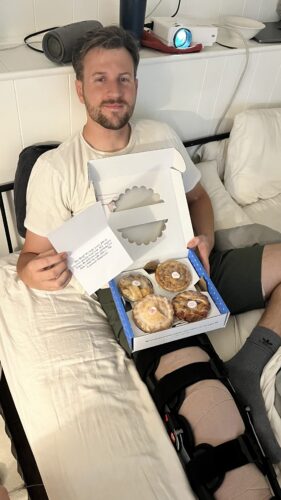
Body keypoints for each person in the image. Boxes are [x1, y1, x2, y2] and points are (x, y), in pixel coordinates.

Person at [16, 25, 281, 498]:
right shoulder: (55, 168)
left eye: (124, 79)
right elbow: (30, 257)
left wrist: (205, 239)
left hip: (192, 266)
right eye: (100, 79)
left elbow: (198, 196)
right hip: (133, 295)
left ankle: (249, 363)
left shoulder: (160, 136)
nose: (113, 91)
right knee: (197, 389)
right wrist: (32, 271)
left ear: (136, 85)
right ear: (79, 89)